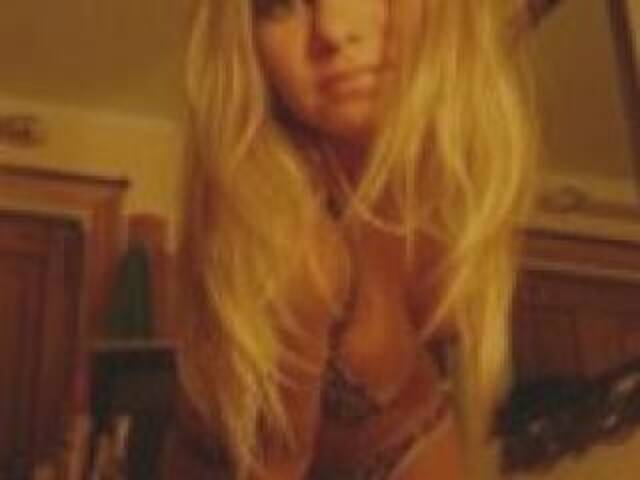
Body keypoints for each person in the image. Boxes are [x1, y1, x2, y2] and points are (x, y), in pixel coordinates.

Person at [163, 0, 537, 478]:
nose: (334, 28)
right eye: (279, 4)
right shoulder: (291, 247)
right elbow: (272, 465)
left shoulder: (459, 167)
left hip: (414, 433)